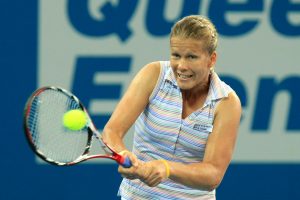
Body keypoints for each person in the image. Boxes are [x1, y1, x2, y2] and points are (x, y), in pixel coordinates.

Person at [102, 15, 242, 200]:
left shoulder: (226, 103)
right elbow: (112, 131)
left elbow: (213, 174)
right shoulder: (153, 75)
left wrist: (167, 168)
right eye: (176, 55)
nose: (182, 66)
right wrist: (123, 153)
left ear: (211, 59)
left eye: (192, 57)